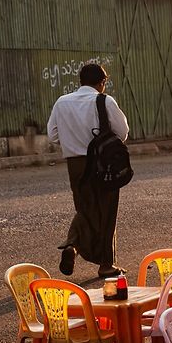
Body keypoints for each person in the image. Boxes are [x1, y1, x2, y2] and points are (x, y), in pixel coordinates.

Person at [47, 63, 129, 278]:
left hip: (75, 164)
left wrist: (72, 140)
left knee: (85, 209)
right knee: (107, 211)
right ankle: (106, 265)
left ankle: (72, 246)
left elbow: (52, 135)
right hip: (103, 162)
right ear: (102, 82)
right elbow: (122, 132)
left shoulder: (61, 102)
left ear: (80, 81)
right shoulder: (104, 101)